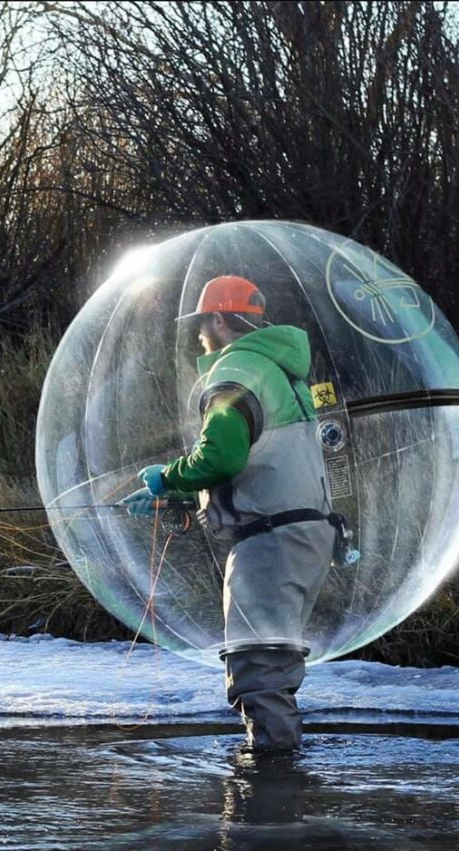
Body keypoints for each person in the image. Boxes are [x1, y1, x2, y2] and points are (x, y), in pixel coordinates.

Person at [123, 275, 335, 752]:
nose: (199, 335)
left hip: (270, 543)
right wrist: (182, 496)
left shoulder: (234, 371)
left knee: (257, 672)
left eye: (201, 324)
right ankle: (279, 776)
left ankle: (271, 799)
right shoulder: (278, 370)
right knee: (272, 667)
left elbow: (222, 457)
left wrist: (170, 476)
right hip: (304, 533)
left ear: (218, 319)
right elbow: (265, 462)